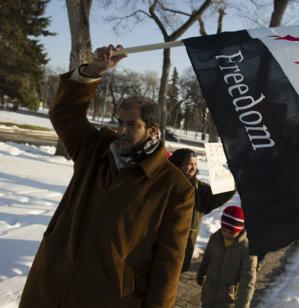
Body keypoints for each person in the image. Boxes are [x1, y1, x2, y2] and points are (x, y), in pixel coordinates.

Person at [19, 45, 194, 308]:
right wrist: (92, 71)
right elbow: (63, 115)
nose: (122, 130)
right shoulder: (95, 148)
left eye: (132, 125)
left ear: (153, 130)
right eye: (120, 122)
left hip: (108, 298)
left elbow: (167, 267)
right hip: (51, 285)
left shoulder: (174, 187)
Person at [169, 148, 236, 272]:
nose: (193, 168)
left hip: (182, 253)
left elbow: (221, 194)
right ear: (176, 165)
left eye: (195, 164)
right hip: (160, 250)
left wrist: (233, 175)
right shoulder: (164, 186)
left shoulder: (200, 190)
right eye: (189, 164)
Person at [196, 206, 257, 308]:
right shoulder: (215, 238)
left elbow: (247, 283)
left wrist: (242, 305)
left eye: (232, 232)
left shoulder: (248, 250)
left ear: (240, 230)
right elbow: (207, 258)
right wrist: (201, 273)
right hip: (209, 296)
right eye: (224, 230)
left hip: (227, 301)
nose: (226, 235)